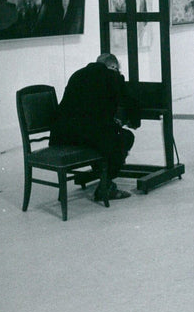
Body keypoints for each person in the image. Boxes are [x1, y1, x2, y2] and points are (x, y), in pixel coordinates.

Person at [50, 53, 141, 201]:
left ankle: (102, 174)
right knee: (125, 137)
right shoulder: (113, 77)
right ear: (113, 67)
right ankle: (106, 185)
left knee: (107, 135)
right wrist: (134, 122)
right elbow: (131, 101)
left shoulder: (77, 75)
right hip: (88, 137)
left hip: (62, 136)